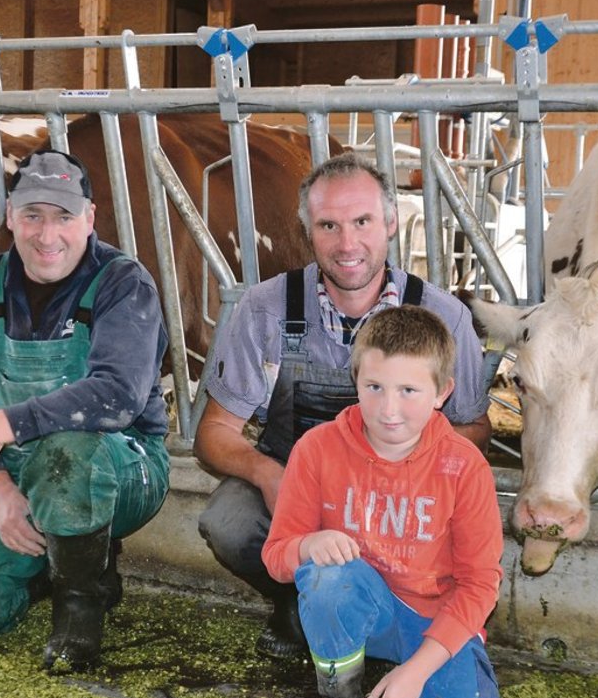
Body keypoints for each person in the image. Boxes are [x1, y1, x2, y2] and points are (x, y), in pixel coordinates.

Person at [194, 152, 492, 659]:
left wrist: (404, 470)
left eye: (362, 222)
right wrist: (270, 476)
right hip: (300, 481)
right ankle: (296, 601)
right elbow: (213, 434)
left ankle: (396, 616)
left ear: (392, 224)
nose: (348, 243)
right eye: (329, 225)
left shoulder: (443, 316)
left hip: (400, 493)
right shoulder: (265, 309)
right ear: (307, 231)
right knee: (228, 522)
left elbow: (476, 427)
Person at [0, 148, 170, 671]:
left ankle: (80, 610)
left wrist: (2, 423)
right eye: (33, 215)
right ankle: (65, 559)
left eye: (64, 216)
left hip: (123, 461)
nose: (47, 235)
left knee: (66, 451)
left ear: (89, 219)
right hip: (19, 467)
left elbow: (116, 395)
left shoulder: (122, 283)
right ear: (11, 218)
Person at [261, 305, 507, 698]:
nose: (388, 409)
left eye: (409, 390)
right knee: (328, 577)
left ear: (442, 393)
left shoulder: (464, 466)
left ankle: (416, 679)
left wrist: (417, 672)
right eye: (373, 387)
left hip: (433, 619)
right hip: (363, 607)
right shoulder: (316, 450)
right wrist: (308, 546)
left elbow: (480, 585)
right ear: (355, 382)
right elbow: (276, 555)